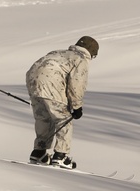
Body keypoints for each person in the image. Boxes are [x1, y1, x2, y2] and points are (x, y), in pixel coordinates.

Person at [25, 36, 99, 169]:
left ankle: (39, 153)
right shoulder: (80, 59)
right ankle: (60, 155)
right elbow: (77, 84)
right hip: (51, 81)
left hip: (32, 80)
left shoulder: (57, 52)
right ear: (90, 52)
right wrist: (76, 106)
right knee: (63, 118)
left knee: (43, 118)